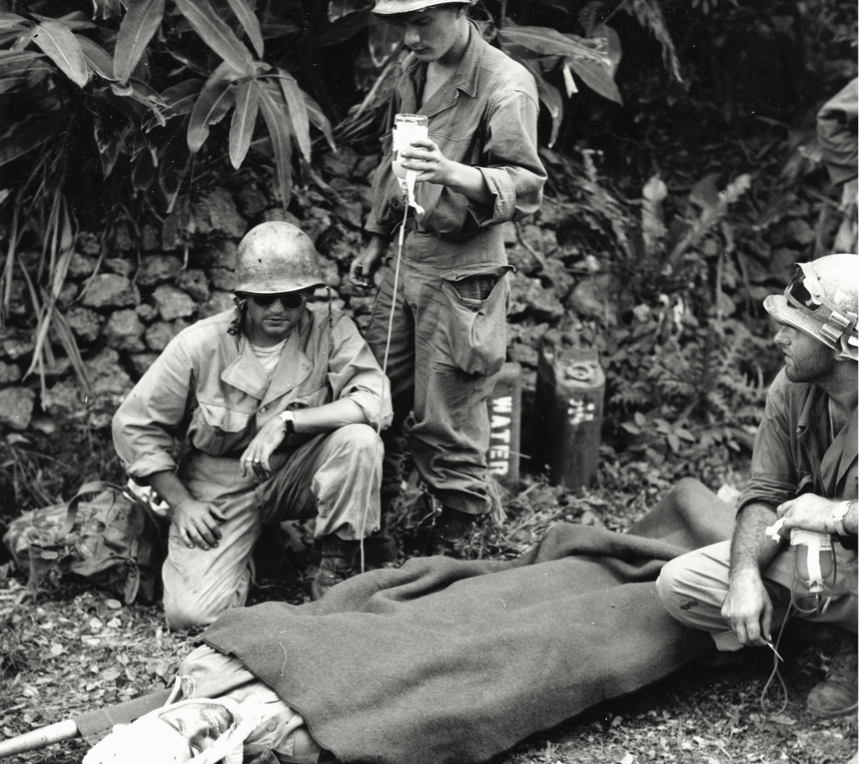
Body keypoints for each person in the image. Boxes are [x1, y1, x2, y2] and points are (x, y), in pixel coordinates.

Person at [112, 221, 392, 630]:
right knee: (193, 615)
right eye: (264, 299)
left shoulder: (332, 330)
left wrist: (289, 420)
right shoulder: (200, 344)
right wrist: (182, 504)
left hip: (295, 470)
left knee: (360, 440)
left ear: (309, 296)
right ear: (242, 298)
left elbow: (376, 401)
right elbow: (135, 426)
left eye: (291, 298)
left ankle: (335, 569)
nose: (277, 310)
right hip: (219, 483)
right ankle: (256, 553)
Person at [348, 0, 547, 555]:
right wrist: (375, 239)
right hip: (407, 256)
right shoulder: (414, 69)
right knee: (375, 391)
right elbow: (395, 165)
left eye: (421, 23)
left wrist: (454, 173)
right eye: (401, 27)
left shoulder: (508, 85)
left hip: (463, 270)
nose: (409, 39)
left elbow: (527, 183)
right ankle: (372, 525)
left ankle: (458, 537)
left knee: (448, 411)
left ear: (462, 10)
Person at [657, 253, 858, 718]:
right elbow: (766, 493)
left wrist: (835, 514)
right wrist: (744, 573)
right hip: (828, 566)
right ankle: (832, 630)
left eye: (795, 327)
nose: (777, 337)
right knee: (680, 586)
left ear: (842, 342)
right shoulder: (791, 386)